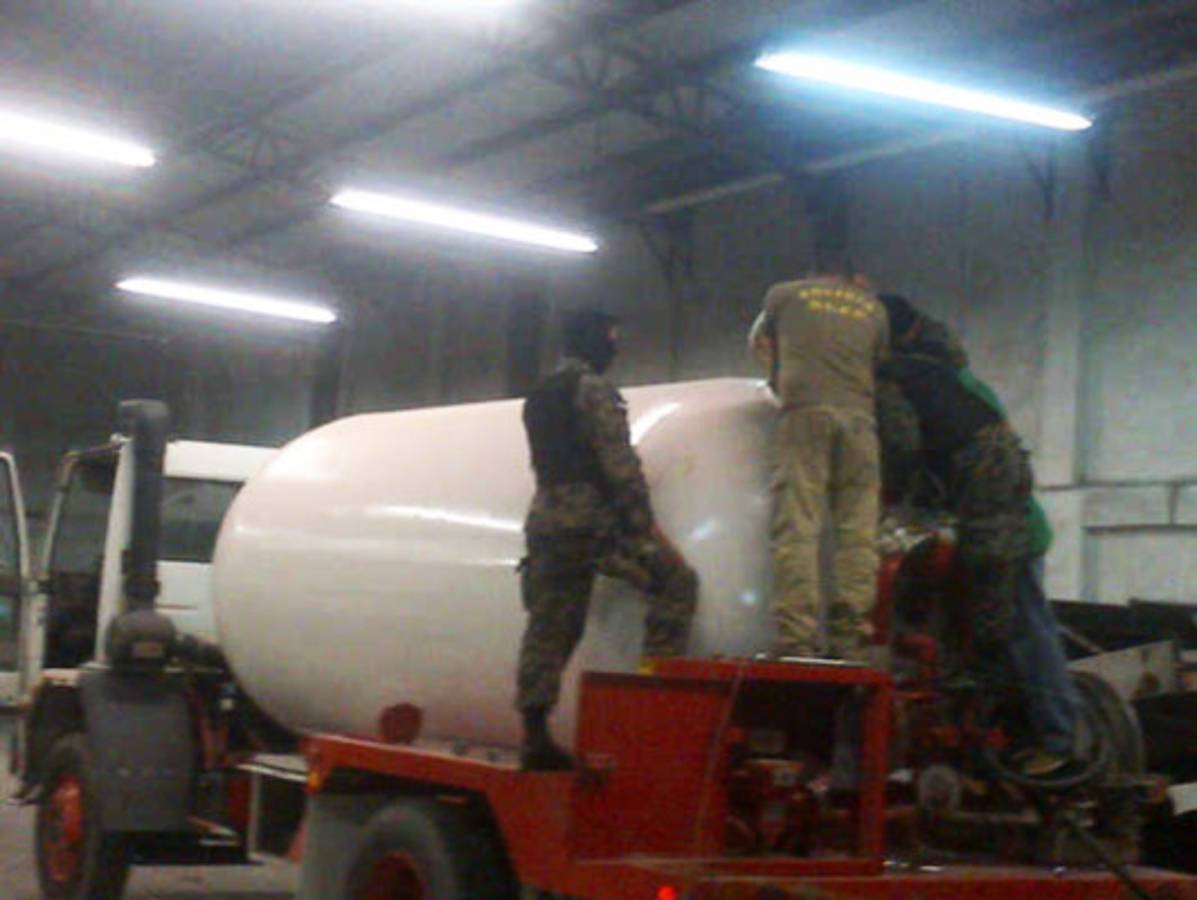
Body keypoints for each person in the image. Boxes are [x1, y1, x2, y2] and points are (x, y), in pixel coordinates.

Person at [875, 294, 1078, 776]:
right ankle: (1008, 736)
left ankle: (1056, 741)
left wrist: (888, 495)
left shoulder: (899, 382)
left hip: (1005, 524)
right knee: (987, 628)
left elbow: (904, 451)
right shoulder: (953, 378)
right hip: (999, 516)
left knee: (1018, 628)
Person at [516, 307, 698, 770]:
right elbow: (620, 467)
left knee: (551, 625)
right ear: (594, 340)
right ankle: (650, 707)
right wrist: (643, 525)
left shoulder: (540, 393)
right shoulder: (594, 390)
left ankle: (534, 732)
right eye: (611, 337)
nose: (615, 347)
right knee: (676, 583)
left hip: (547, 520)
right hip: (593, 522)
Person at [748, 272, 888, 661]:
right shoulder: (874, 308)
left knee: (797, 525)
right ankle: (850, 637)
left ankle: (797, 637)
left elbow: (761, 341)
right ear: (854, 278)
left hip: (805, 414)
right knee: (858, 533)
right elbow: (878, 362)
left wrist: (779, 382)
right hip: (860, 421)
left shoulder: (782, 293)